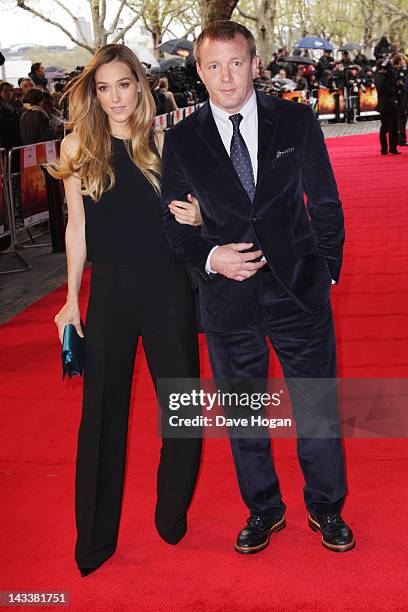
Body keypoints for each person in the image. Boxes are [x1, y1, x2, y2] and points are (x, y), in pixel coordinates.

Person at [161, 20, 354, 555]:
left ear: (255, 63)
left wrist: (327, 271)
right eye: (214, 66)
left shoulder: (295, 120)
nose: (227, 77)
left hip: (297, 292)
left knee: (317, 407)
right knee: (244, 414)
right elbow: (173, 222)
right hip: (228, 299)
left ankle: (326, 507)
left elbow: (327, 201)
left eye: (237, 62)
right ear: (199, 72)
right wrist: (211, 255)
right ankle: (263, 510)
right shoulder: (180, 139)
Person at [48, 43, 203, 576]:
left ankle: (171, 510)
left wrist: (198, 215)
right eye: (104, 87)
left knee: (182, 407)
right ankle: (93, 541)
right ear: (94, 92)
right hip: (110, 291)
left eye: (124, 84)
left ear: (140, 85)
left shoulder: (165, 141)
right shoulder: (77, 147)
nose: (115, 97)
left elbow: (201, 211)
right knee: (100, 417)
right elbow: (76, 230)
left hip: (169, 288)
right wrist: (71, 301)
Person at [375, 58, 400, 155]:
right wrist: (397, 88)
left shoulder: (377, 76)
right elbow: (391, 90)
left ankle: (384, 149)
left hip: (381, 103)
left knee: (383, 126)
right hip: (390, 103)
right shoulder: (387, 76)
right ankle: (392, 148)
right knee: (393, 126)